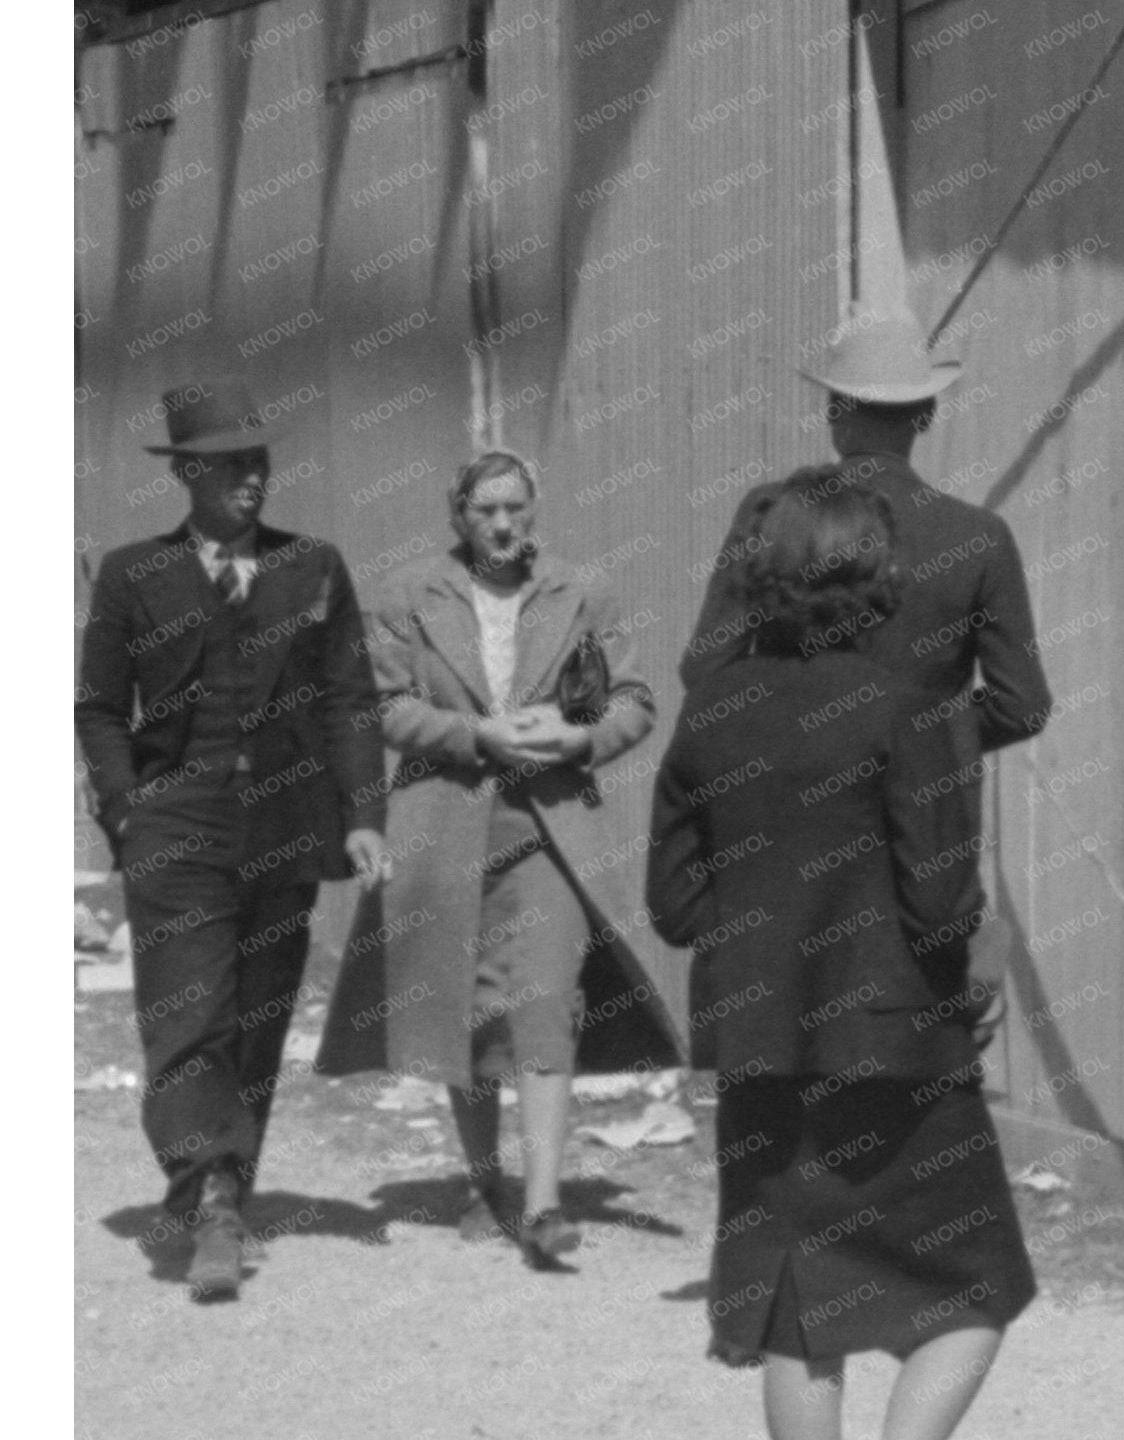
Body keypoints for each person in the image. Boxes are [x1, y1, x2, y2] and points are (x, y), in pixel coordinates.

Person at [647, 473, 1032, 1440]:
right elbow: (939, 894)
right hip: (895, 1041)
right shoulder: (906, 707)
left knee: (793, 1299)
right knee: (977, 1288)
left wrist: (765, 925)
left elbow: (675, 902)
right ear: (874, 579)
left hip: (764, 1041)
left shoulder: (709, 715)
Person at [320, 451, 681, 1264]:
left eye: (515, 507)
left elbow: (635, 699)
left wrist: (583, 736)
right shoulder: (409, 595)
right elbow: (380, 705)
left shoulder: (581, 591)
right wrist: (472, 734)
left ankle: (546, 1204)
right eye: (485, 511)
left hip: (548, 828)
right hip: (442, 830)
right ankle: (486, 1180)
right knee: (465, 1007)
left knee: (546, 998)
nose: (503, 524)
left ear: (535, 509)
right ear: (458, 515)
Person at [75, 379, 389, 1302]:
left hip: (284, 831)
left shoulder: (314, 565)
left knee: (255, 1018)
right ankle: (208, 1191)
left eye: (260, 461)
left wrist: (365, 813)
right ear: (188, 474)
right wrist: (126, 811)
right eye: (231, 463)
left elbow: (349, 699)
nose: (253, 478)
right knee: (187, 1016)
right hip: (174, 828)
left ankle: (223, 1183)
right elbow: (97, 706)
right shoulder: (135, 574)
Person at [682, 306, 1050, 835]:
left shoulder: (771, 513)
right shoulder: (979, 538)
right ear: (926, 415)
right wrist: (928, 733)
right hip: (922, 825)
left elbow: (706, 669)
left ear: (834, 412)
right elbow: (1023, 707)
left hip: (787, 811)